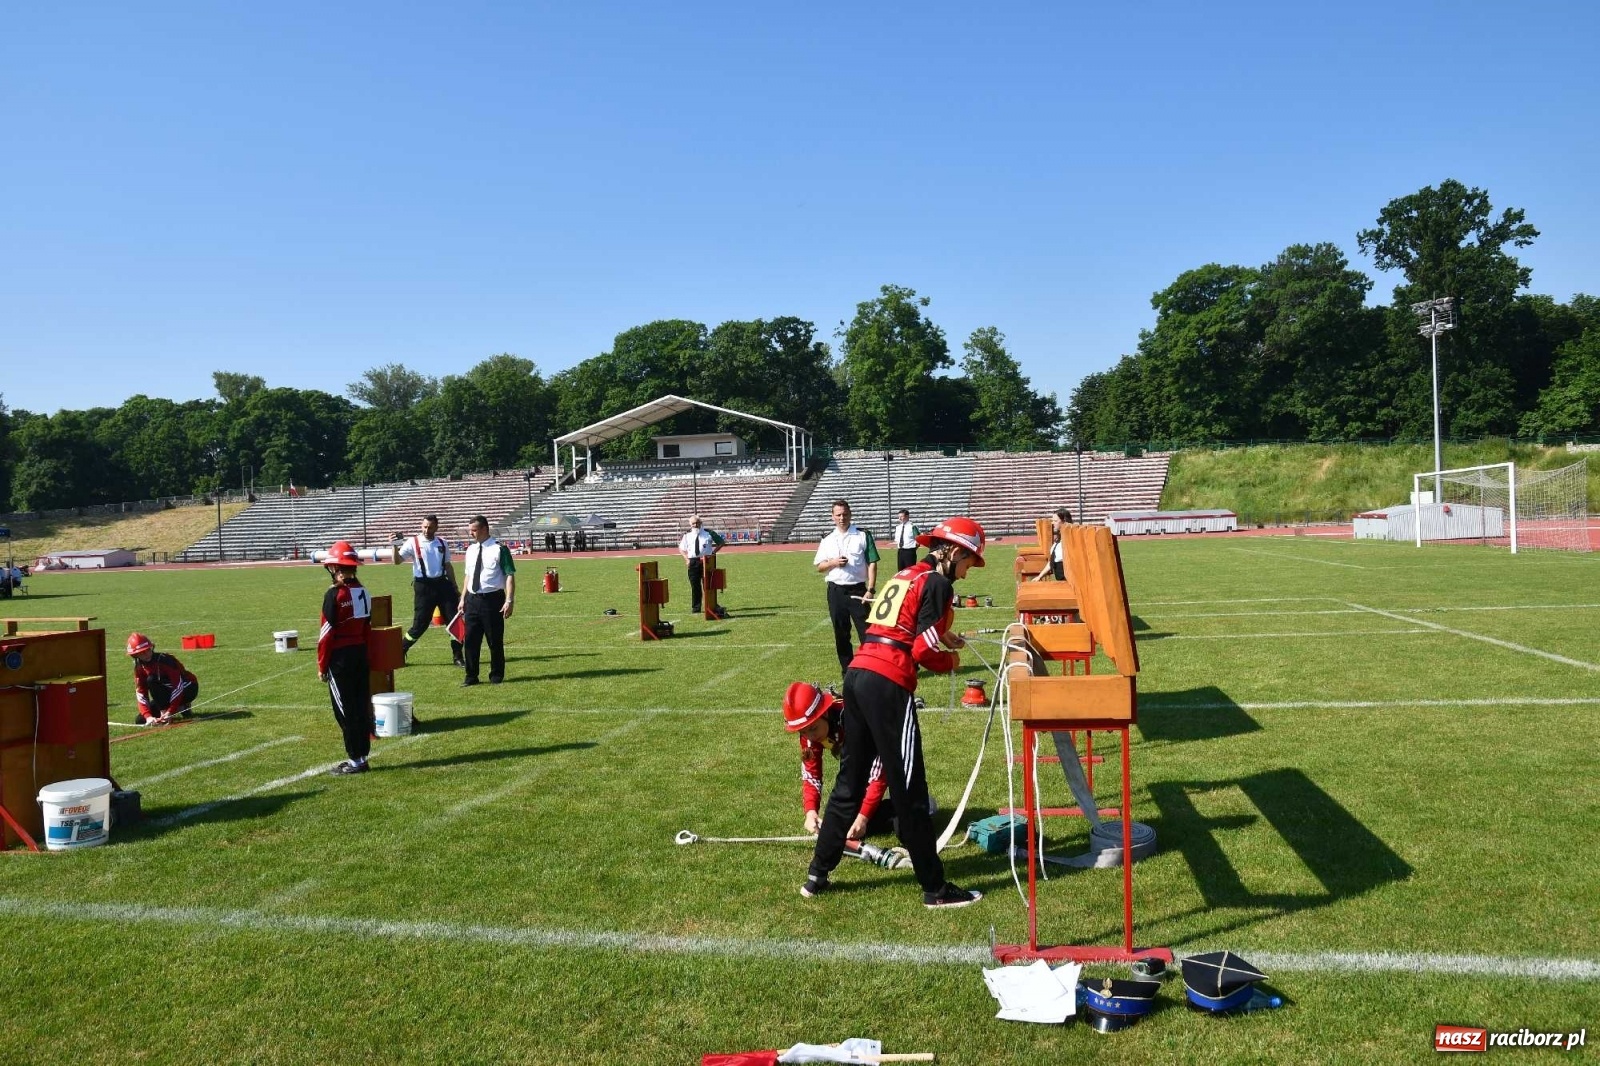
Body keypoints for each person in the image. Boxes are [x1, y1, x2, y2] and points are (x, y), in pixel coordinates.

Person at [803, 516, 988, 909]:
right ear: (953, 551)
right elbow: (920, 650)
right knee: (910, 791)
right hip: (888, 683)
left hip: (858, 673)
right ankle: (935, 889)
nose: (968, 573)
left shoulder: (906, 573)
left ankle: (817, 873)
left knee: (849, 782)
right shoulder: (938, 584)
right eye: (969, 562)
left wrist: (942, 638)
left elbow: (903, 628)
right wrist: (950, 662)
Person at [784, 681, 887, 840]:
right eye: (803, 732)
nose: (810, 736)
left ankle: (920, 805)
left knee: (903, 826)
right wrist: (811, 811)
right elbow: (812, 775)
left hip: (892, 743)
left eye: (813, 728)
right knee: (847, 823)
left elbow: (879, 772)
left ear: (824, 713)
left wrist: (863, 817)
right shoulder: (810, 736)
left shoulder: (852, 721)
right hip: (858, 754)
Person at [316, 540, 373, 775]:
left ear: (337, 569)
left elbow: (326, 634)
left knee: (345, 710)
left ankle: (356, 760)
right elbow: (367, 628)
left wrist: (321, 665)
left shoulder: (335, 595)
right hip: (360, 654)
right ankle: (362, 756)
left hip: (340, 658)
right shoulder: (364, 591)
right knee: (360, 706)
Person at [813, 500, 878, 674]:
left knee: (868, 634)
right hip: (836, 592)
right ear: (832, 516)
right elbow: (819, 567)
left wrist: (870, 589)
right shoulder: (827, 540)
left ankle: (873, 670)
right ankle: (847, 672)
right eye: (838, 515)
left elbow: (872, 562)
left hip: (858, 591)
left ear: (850, 514)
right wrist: (833, 562)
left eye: (845, 514)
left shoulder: (863, 535)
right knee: (841, 635)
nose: (842, 518)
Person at [393, 514, 463, 667]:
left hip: (443, 585)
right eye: (424, 527)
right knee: (420, 624)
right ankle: (400, 650)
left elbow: (448, 566)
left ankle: (458, 656)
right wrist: (394, 546)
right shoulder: (413, 542)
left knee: (454, 622)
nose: (426, 530)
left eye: (430, 527)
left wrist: (455, 587)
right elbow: (397, 561)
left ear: (436, 527)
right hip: (423, 587)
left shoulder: (443, 543)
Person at [459, 514, 516, 686]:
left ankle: (496, 676)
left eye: (474, 530)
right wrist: (463, 598)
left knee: (494, 641)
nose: (471, 534)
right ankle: (471, 676)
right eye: (470, 530)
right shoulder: (470, 550)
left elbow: (509, 576)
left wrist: (509, 600)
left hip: (492, 600)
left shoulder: (500, 549)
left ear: (485, 529)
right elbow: (468, 576)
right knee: (470, 641)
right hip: (472, 600)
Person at [126, 632, 200, 726]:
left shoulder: (165, 660)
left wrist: (169, 712)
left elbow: (178, 686)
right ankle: (181, 707)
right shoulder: (139, 668)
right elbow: (141, 693)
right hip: (167, 693)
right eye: (141, 653)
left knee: (151, 680)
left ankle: (178, 707)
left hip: (188, 688)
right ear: (135, 655)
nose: (146, 654)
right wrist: (148, 717)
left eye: (147, 650)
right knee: (140, 720)